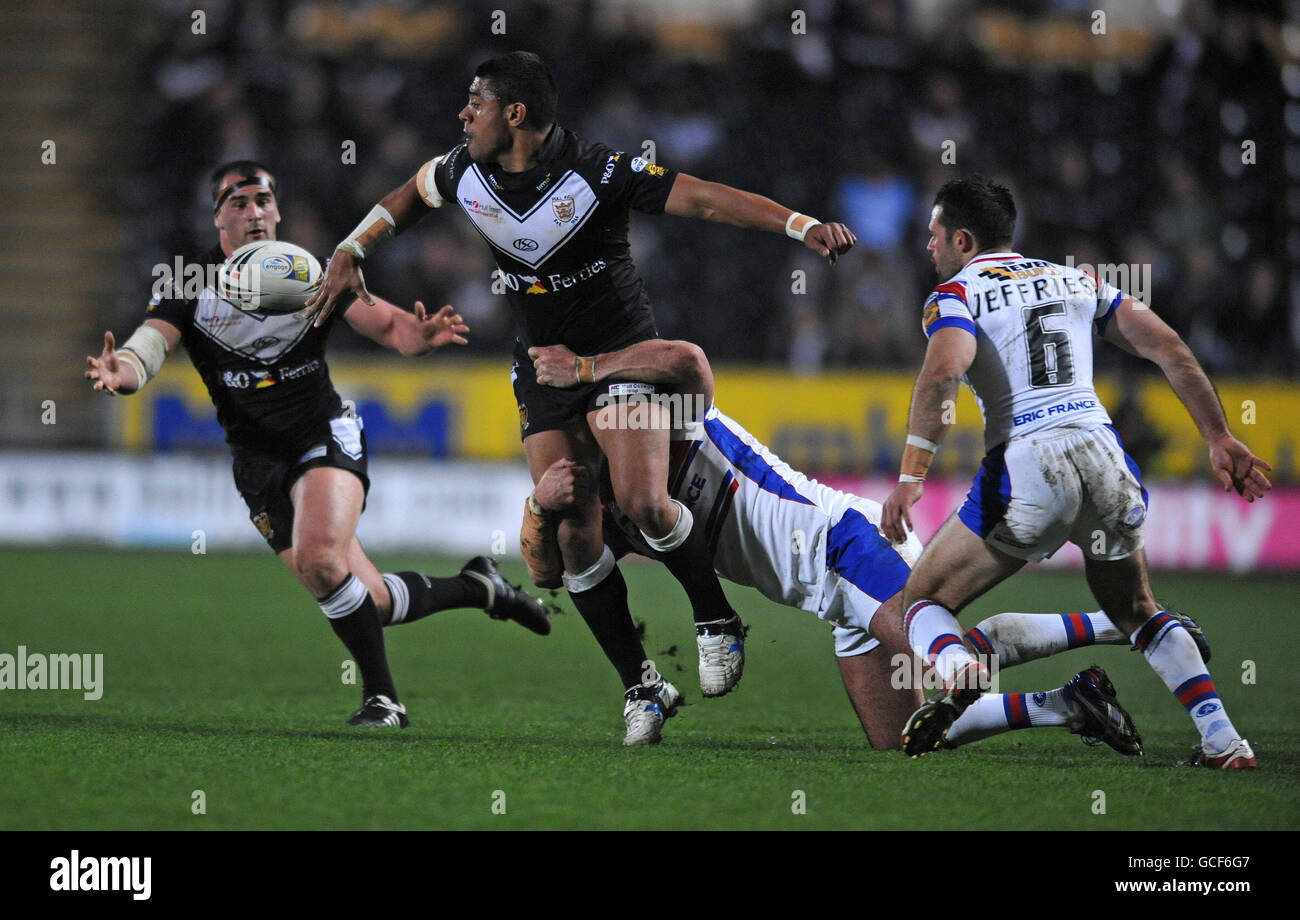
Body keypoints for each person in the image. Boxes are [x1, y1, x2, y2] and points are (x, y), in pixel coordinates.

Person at [302, 51, 857, 742]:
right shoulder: (464, 172)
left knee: (643, 498)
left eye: (474, 102)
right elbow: (406, 197)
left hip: (619, 354)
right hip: (542, 367)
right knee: (568, 523)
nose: (461, 114)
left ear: (516, 113)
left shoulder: (597, 172)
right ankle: (643, 686)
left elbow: (704, 197)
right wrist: (353, 247)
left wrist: (798, 226)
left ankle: (716, 617)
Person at [85, 159, 549, 728]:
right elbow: (148, 348)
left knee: (319, 560)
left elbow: (390, 326)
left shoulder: (316, 271)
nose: (254, 212)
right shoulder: (190, 283)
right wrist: (121, 370)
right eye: (238, 202)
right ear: (217, 218)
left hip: (322, 433)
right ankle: (479, 587)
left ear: (277, 211)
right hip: (256, 462)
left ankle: (383, 699)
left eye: (263, 200)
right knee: (370, 598)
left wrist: (418, 336)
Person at [524, 338, 1148, 755]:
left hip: (844, 545)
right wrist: (538, 506)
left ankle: (1119, 622)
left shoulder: (658, 420)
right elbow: (554, 575)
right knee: (903, 739)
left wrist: (589, 367)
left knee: (947, 659)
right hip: (829, 602)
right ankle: (1067, 704)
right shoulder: (597, 493)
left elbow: (688, 359)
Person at [879, 175, 1270, 766]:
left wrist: (911, 476)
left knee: (923, 599)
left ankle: (960, 673)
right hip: (1104, 454)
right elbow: (1170, 348)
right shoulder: (1073, 278)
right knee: (1137, 608)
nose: (928, 247)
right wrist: (1217, 436)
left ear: (961, 238)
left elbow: (943, 372)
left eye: (934, 235)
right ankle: (1223, 740)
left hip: (1028, 461)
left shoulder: (954, 293)